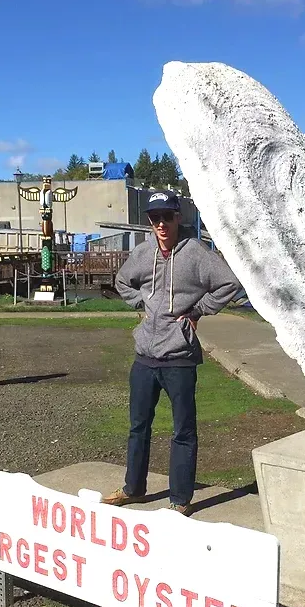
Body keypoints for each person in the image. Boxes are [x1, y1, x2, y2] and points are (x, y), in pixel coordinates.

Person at [104, 192, 239, 516]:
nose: (161, 223)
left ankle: (180, 499)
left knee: (183, 430)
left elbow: (229, 284)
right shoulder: (143, 252)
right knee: (138, 426)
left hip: (179, 357)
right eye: (155, 218)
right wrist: (143, 303)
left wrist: (198, 311)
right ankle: (133, 489)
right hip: (144, 357)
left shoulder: (195, 253)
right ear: (149, 221)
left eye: (167, 216)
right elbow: (123, 281)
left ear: (178, 217)